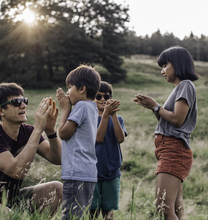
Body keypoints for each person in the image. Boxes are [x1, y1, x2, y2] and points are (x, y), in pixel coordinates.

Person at [0, 82, 63, 217]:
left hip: (11, 199)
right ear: (0, 110)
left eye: (24, 100)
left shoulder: (28, 132)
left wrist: (50, 132)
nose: (23, 105)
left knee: (57, 189)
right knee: (10, 216)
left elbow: (57, 158)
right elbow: (16, 171)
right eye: (16, 102)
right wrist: (38, 129)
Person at [133, 46, 199, 220]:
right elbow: (169, 124)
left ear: (177, 64)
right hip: (169, 149)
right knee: (176, 209)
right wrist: (153, 108)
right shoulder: (180, 88)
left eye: (165, 65)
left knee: (163, 207)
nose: (162, 71)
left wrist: (156, 106)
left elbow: (177, 119)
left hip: (174, 150)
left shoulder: (185, 85)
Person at [56, 64, 101, 220]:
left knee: (70, 217)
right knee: (79, 215)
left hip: (76, 173)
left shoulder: (81, 106)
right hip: (88, 173)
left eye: (70, 87)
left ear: (82, 89)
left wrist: (65, 108)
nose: (68, 92)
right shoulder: (92, 108)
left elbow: (63, 133)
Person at [90, 81, 127, 220]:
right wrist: (105, 115)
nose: (102, 100)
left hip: (112, 172)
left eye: (106, 96)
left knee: (109, 213)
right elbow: (98, 138)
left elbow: (120, 138)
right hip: (92, 172)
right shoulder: (90, 119)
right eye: (98, 97)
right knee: (91, 212)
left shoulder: (118, 119)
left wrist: (113, 115)